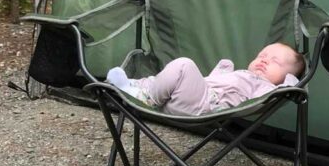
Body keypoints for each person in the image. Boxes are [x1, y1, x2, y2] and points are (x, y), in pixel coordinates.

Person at [105, 43, 306, 116]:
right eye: (262, 55)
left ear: (286, 77)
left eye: (275, 62)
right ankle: (133, 87)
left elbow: (290, 85)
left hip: (204, 106)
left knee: (184, 65)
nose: (264, 61)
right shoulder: (243, 74)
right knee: (169, 78)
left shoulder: (266, 89)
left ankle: (145, 97)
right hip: (187, 99)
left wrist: (290, 83)